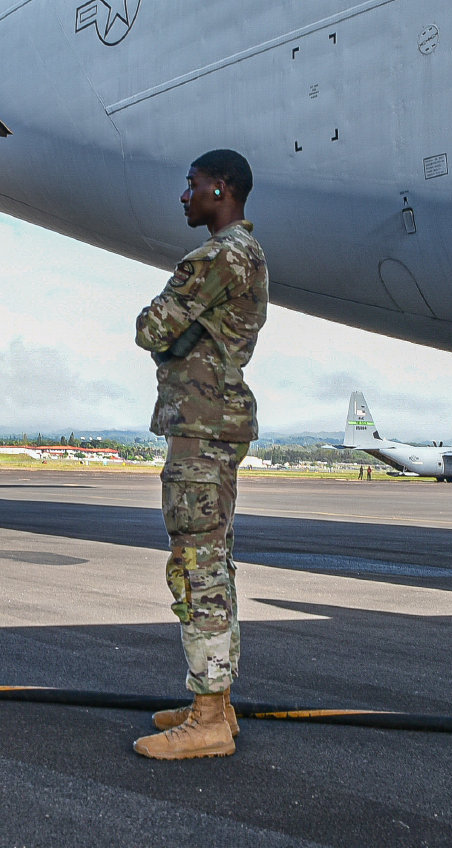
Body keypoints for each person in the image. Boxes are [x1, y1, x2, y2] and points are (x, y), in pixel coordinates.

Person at [131, 149, 269, 760]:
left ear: (220, 188)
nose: (183, 197)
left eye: (191, 186)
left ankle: (209, 718)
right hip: (214, 424)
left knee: (198, 564)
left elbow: (150, 327)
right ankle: (214, 704)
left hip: (203, 426)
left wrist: (167, 327)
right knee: (212, 558)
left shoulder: (220, 254)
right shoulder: (243, 253)